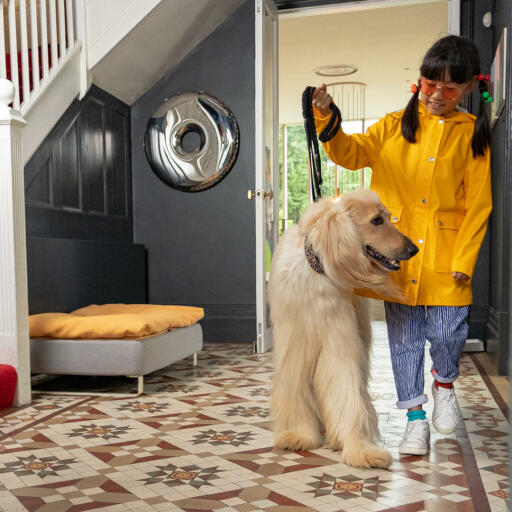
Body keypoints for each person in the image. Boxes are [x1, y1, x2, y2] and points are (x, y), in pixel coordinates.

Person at [312, 35, 492, 455]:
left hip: (447, 258)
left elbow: (479, 205)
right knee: (405, 341)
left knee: (448, 333)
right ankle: (415, 420)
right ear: (420, 80)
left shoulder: (471, 135)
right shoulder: (392, 125)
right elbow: (350, 154)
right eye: (430, 83)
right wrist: (326, 116)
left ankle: (444, 383)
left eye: (450, 88)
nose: (437, 95)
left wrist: (465, 258)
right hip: (398, 260)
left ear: (467, 88)